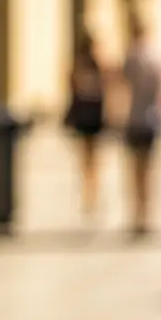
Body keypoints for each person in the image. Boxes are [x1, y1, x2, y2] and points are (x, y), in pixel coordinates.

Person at [119, 17, 161, 237]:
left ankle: (138, 215)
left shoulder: (130, 57)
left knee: (136, 171)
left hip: (134, 118)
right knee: (149, 171)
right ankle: (148, 215)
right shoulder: (155, 57)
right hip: (152, 119)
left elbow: (121, 90)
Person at [64, 29, 106, 220]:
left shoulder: (79, 64)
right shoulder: (93, 64)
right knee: (92, 157)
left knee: (86, 157)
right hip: (92, 116)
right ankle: (91, 194)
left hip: (85, 116)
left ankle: (89, 194)